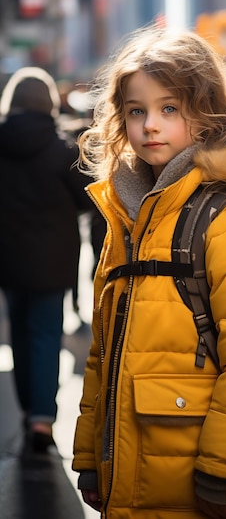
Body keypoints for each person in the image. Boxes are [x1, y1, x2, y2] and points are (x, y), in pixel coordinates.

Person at [72, 25, 226, 519]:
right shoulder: (129, 214)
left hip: (204, 480)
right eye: (136, 111)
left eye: (169, 109)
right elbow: (104, 350)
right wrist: (90, 458)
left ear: (205, 114)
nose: (150, 126)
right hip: (131, 473)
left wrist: (223, 469)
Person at [0, 66, 93, 453]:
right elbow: (88, 199)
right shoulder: (63, 151)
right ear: (49, 104)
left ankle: (26, 411)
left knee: (19, 335)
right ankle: (42, 418)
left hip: (7, 257)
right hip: (53, 262)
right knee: (45, 335)